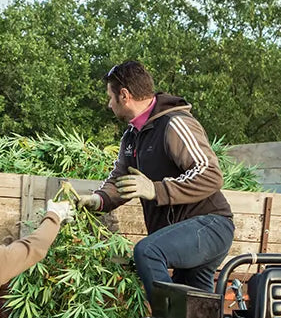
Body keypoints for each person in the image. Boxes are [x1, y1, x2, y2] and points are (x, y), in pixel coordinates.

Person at [76, 60, 235, 302]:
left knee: (148, 251)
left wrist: (156, 189)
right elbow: (121, 178)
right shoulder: (131, 137)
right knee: (195, 310)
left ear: (124, 95)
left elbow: (210, 173)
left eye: (110, 97)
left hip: (210, 225)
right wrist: (99, 199)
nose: (109, 105)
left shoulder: (175, 123)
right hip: (183, 232)